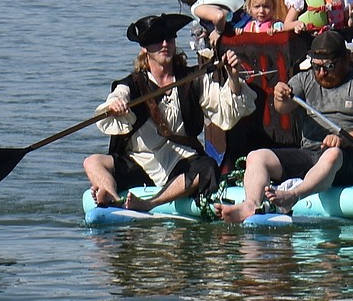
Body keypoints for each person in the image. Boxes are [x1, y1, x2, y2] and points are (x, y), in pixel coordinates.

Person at [83, 13, 256, 211]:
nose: (165, 44)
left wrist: (233, 78)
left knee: (208, 167)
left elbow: (227, 110)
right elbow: (119, 95)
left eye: (170, 38)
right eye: (157, 40)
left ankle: (150, 204)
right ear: (145, 48)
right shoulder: (132, 83)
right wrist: (116, 105)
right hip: (141, 160)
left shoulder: (193, 78)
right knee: (93, 161)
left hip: (181, 161)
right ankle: (112, 199)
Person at [219, 29, 353, 222]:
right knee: (256, 156)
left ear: (346, 59)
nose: (322, 73)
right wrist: (280, 96)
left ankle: (293, 196)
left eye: (329, 66)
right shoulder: (304, 79)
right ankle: (251, 204)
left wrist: (345, 139)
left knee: (332, 154)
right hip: (311, 152)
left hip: (352, 156)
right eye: (316, 67)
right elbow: (284, 108)